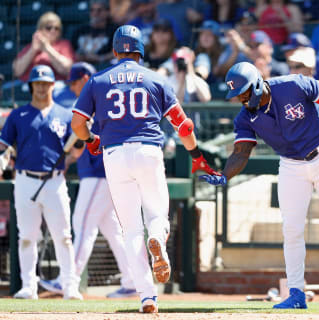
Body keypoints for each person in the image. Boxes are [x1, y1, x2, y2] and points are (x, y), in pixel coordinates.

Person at [199, 61, 319, 309]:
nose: (242, 99)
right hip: (291, 164)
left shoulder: (293, 84)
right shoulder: (245, 118)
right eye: (238, 95)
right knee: (291, 229)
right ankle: (296, 293)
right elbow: (241, 152)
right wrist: (226, 175)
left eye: (245, 92)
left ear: (257, 84)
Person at [70, 25, 218, 313]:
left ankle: (147, 298)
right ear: (140, 49)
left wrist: (90, 139)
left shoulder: (98, 80)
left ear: (114, 51)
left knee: (129, 228)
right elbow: (184, 125)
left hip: (113, 155)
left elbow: (78, 124)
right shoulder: (156, 79)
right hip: (148, 150)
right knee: (157, 214)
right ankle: (157, 238)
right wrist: (196, 154)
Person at [38, 62, 137, 298]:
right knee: (112, 230)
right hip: (103, 172)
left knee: (82, 224)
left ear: (84, 78)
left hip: (99, 173)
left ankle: (67, 279)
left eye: (74, 82)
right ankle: (133, 279)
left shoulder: (97, 98)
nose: (72, 87)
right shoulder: (95, 98)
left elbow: (89, 133)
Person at [0, 65, 82, 300]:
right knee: (26, 235)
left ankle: (69, 285)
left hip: (55, 181)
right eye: (38, 83)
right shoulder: (18, 115)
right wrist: (4, 157)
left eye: (46, 83)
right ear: (32, 86)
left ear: (53, 85)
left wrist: (80, 141)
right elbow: (5, 145)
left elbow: (76, 151)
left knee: (63, 235)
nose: (42, 87)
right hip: (25, 179)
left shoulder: (65, 115)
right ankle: (29, 285)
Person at [13, 12, 74, 82]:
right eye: (49, 28)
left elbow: (67, 70)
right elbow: (17, 71)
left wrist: (47, 48)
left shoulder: (64, 45)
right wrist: (33, 50)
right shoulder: (31, 46)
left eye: (57, 28)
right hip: (29, 83)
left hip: (54, 84)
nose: (53, 31)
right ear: (40, 30)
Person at [71, 0, 117, 68]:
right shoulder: (80, 30)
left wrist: (99, 58)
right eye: (92, 10)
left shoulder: (114, 30)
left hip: (103, 68)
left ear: (107, 12)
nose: (95, 13)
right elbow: (71, 50)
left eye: (99, 10)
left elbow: (116, 52)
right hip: (80, 67)